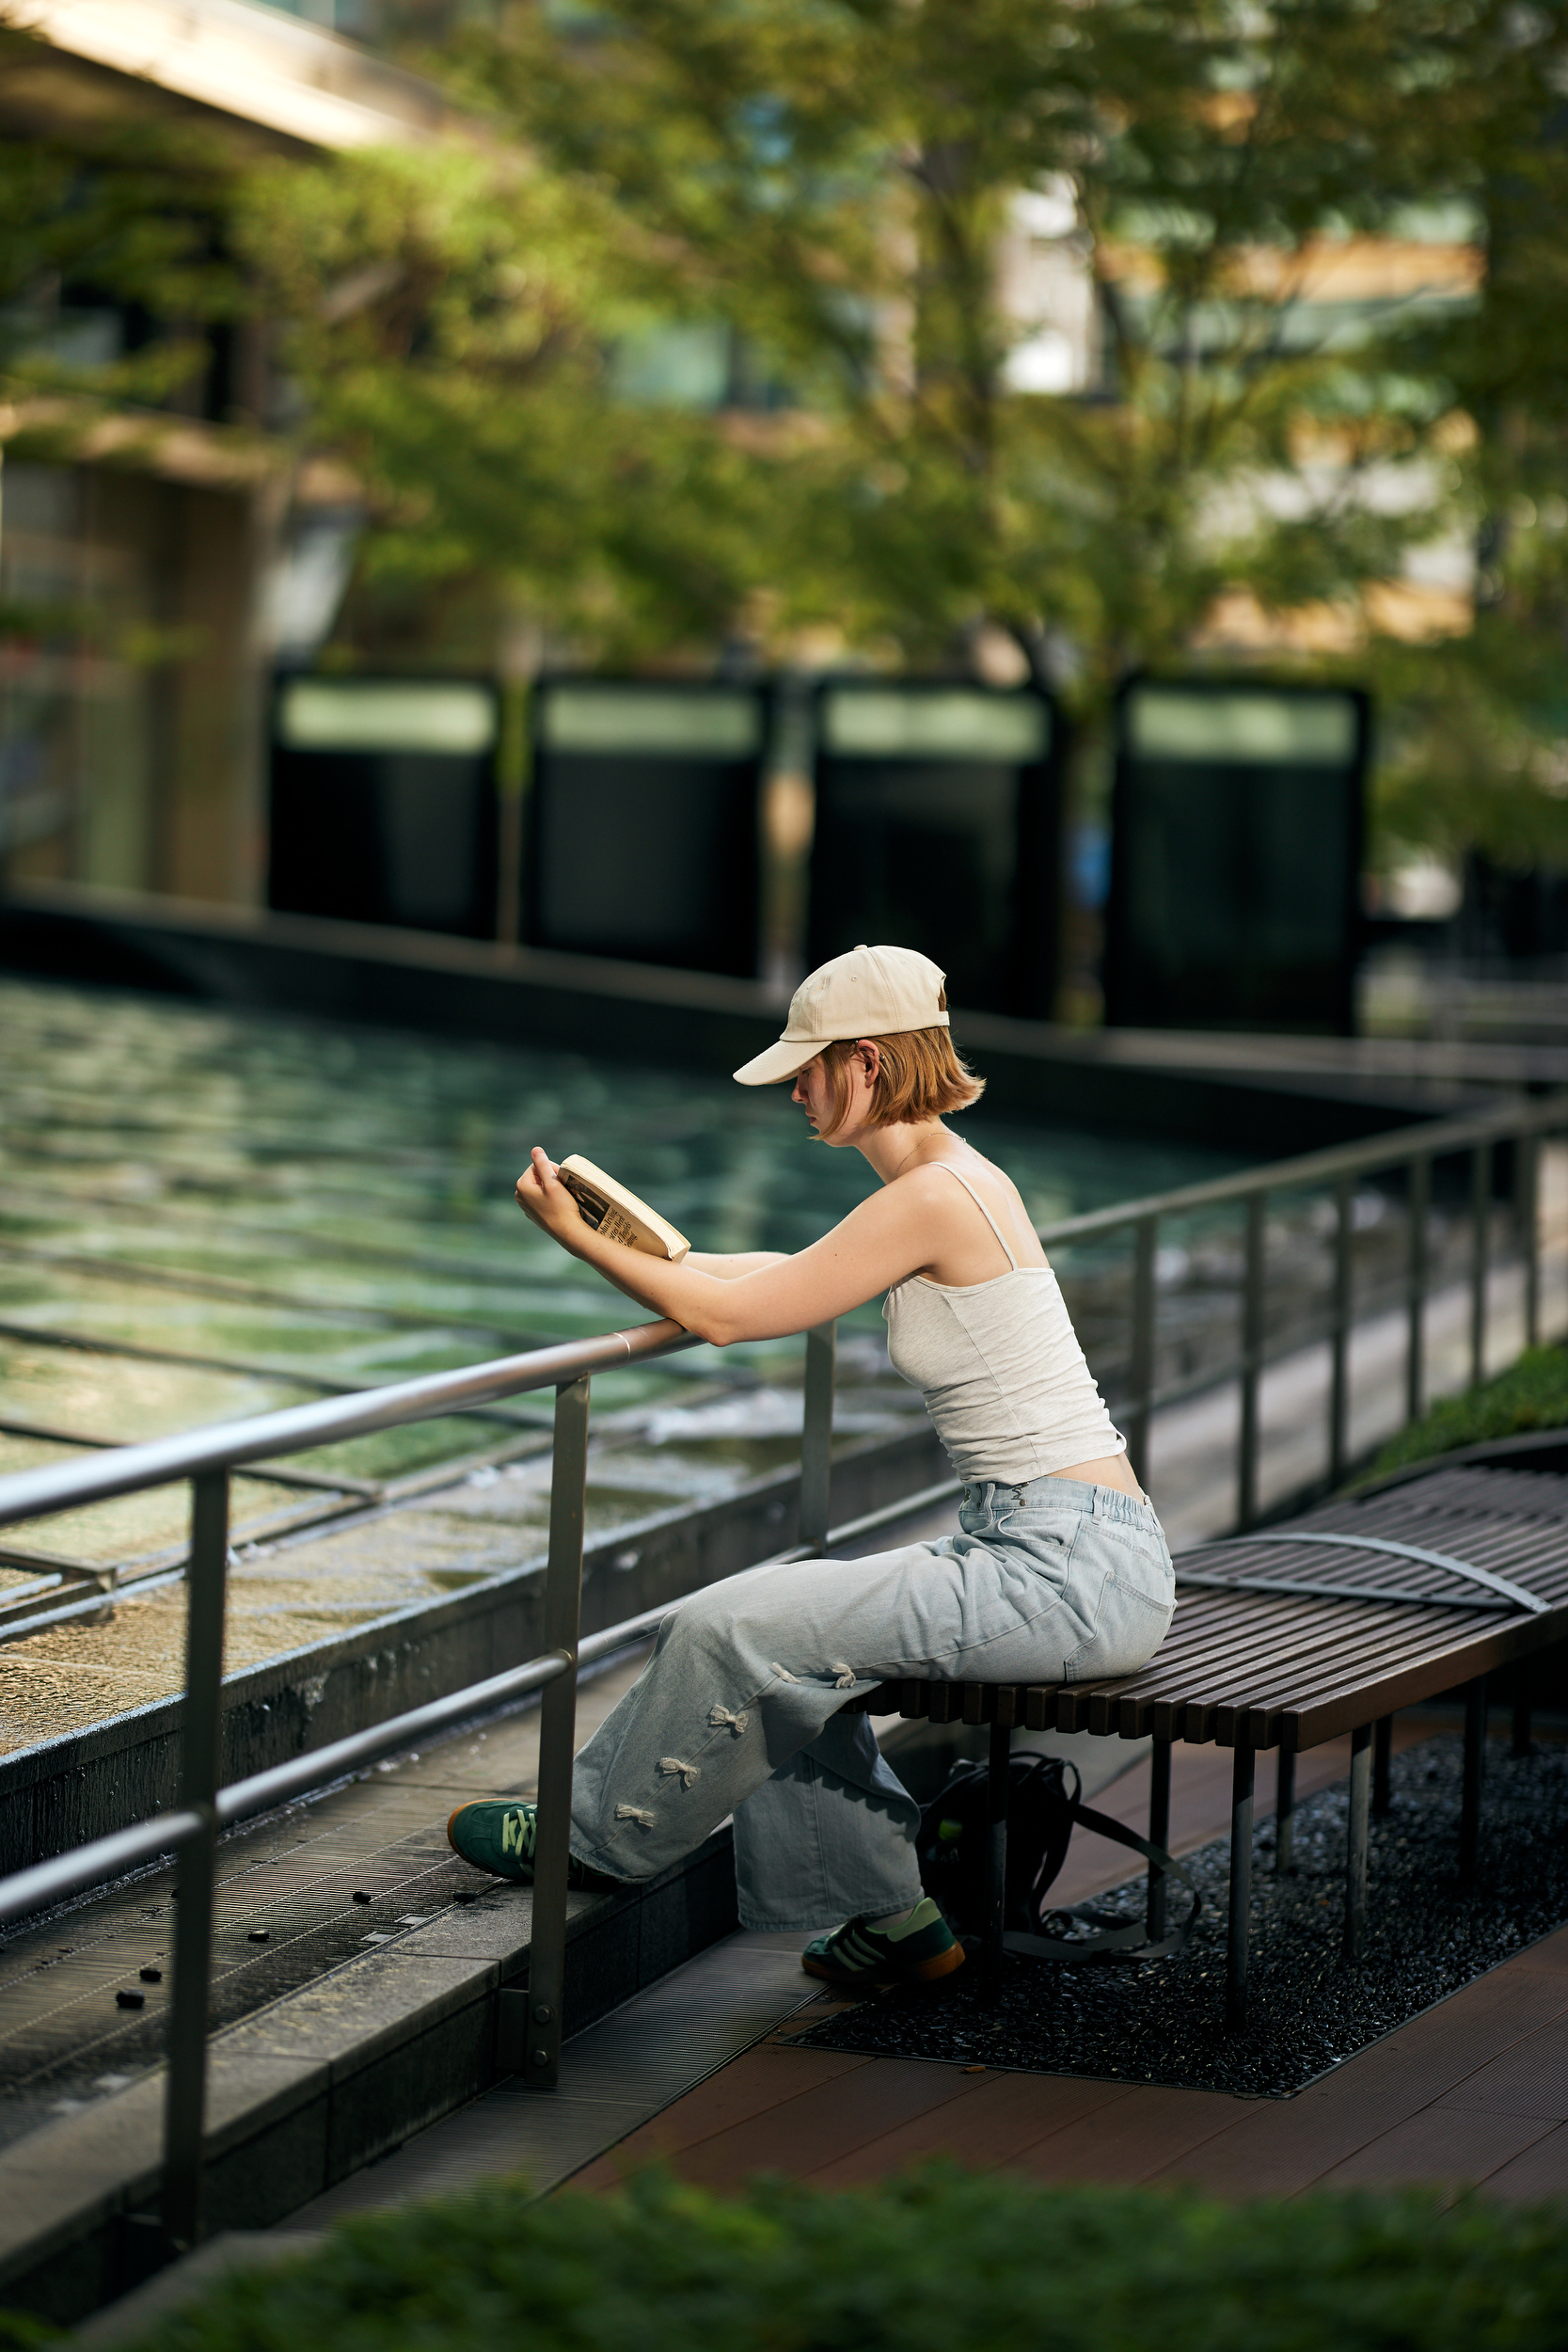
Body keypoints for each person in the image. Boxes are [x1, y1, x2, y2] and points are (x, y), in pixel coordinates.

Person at [448, 944, 1174, 1987]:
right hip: (1065, 1551)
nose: (794, 1087)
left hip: (1063, 1571)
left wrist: (576, 1239)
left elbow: (733, 1317)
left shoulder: (935, 1194)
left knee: (729, 1628)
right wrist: (654, 1250)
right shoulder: (945, 1182)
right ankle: (894, 1920)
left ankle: (586, 1839)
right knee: (791, 1650)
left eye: (807, 1066)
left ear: (867, 1064)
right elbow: (769, 1277)